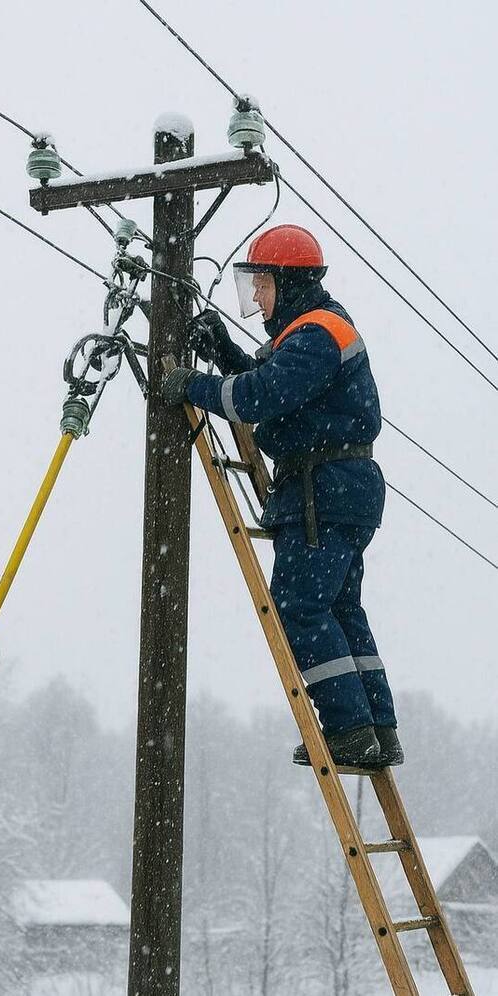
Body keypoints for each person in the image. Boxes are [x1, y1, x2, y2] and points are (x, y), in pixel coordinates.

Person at [163, 224, 403, 768]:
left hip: (324, 488)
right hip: (340, 487)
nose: (258, 299)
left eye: (263, 285)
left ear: (289, 282)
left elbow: (262, 396)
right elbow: (274, 388)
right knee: (340, 606)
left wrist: (191, 386)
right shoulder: (313, 332)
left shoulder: (317, 335)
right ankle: (375, 729)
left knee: (300, 604)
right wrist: (223, 350)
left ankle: (348, 729)